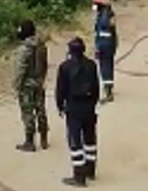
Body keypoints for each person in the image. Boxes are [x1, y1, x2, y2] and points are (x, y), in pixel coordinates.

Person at [55, 37, 100, 187]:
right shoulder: (92, 65)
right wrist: (93, 104)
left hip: (74, 108)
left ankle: (79, 176)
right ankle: (90, 170)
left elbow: (60, 90)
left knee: (75, 142)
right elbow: (96, 88)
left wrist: (60, 106)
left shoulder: (64, 67)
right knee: (90, 139)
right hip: (89, 108)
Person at [13, 20, 49, 152]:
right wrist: (42, 79)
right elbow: (45, 65)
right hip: (39, 82)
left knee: (28, 113)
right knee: (41, 110)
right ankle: (44, 137)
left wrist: (17, 85)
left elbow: (20, 70)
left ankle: (29, 141)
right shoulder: (42, 46)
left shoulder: (23, 50)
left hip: (27, 86)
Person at [92, 0, 118, 103]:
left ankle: (108, 93)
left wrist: (98, 47)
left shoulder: (104, 16)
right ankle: (109, 88)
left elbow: (102, 31)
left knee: (105, 67)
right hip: (110, 43)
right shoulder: (108, 13)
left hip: (104, 44)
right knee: (109, 65)